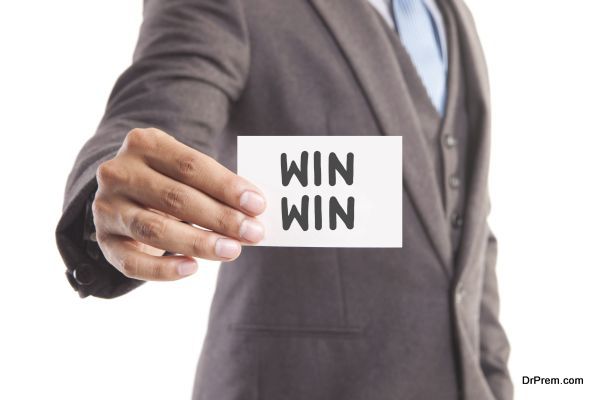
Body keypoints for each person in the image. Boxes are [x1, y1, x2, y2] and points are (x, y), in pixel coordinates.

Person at [56, 0, 512, 398]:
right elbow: (154, 108)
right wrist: (108, 189)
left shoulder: (451, 13)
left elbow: (468, 224)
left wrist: (493, 380)